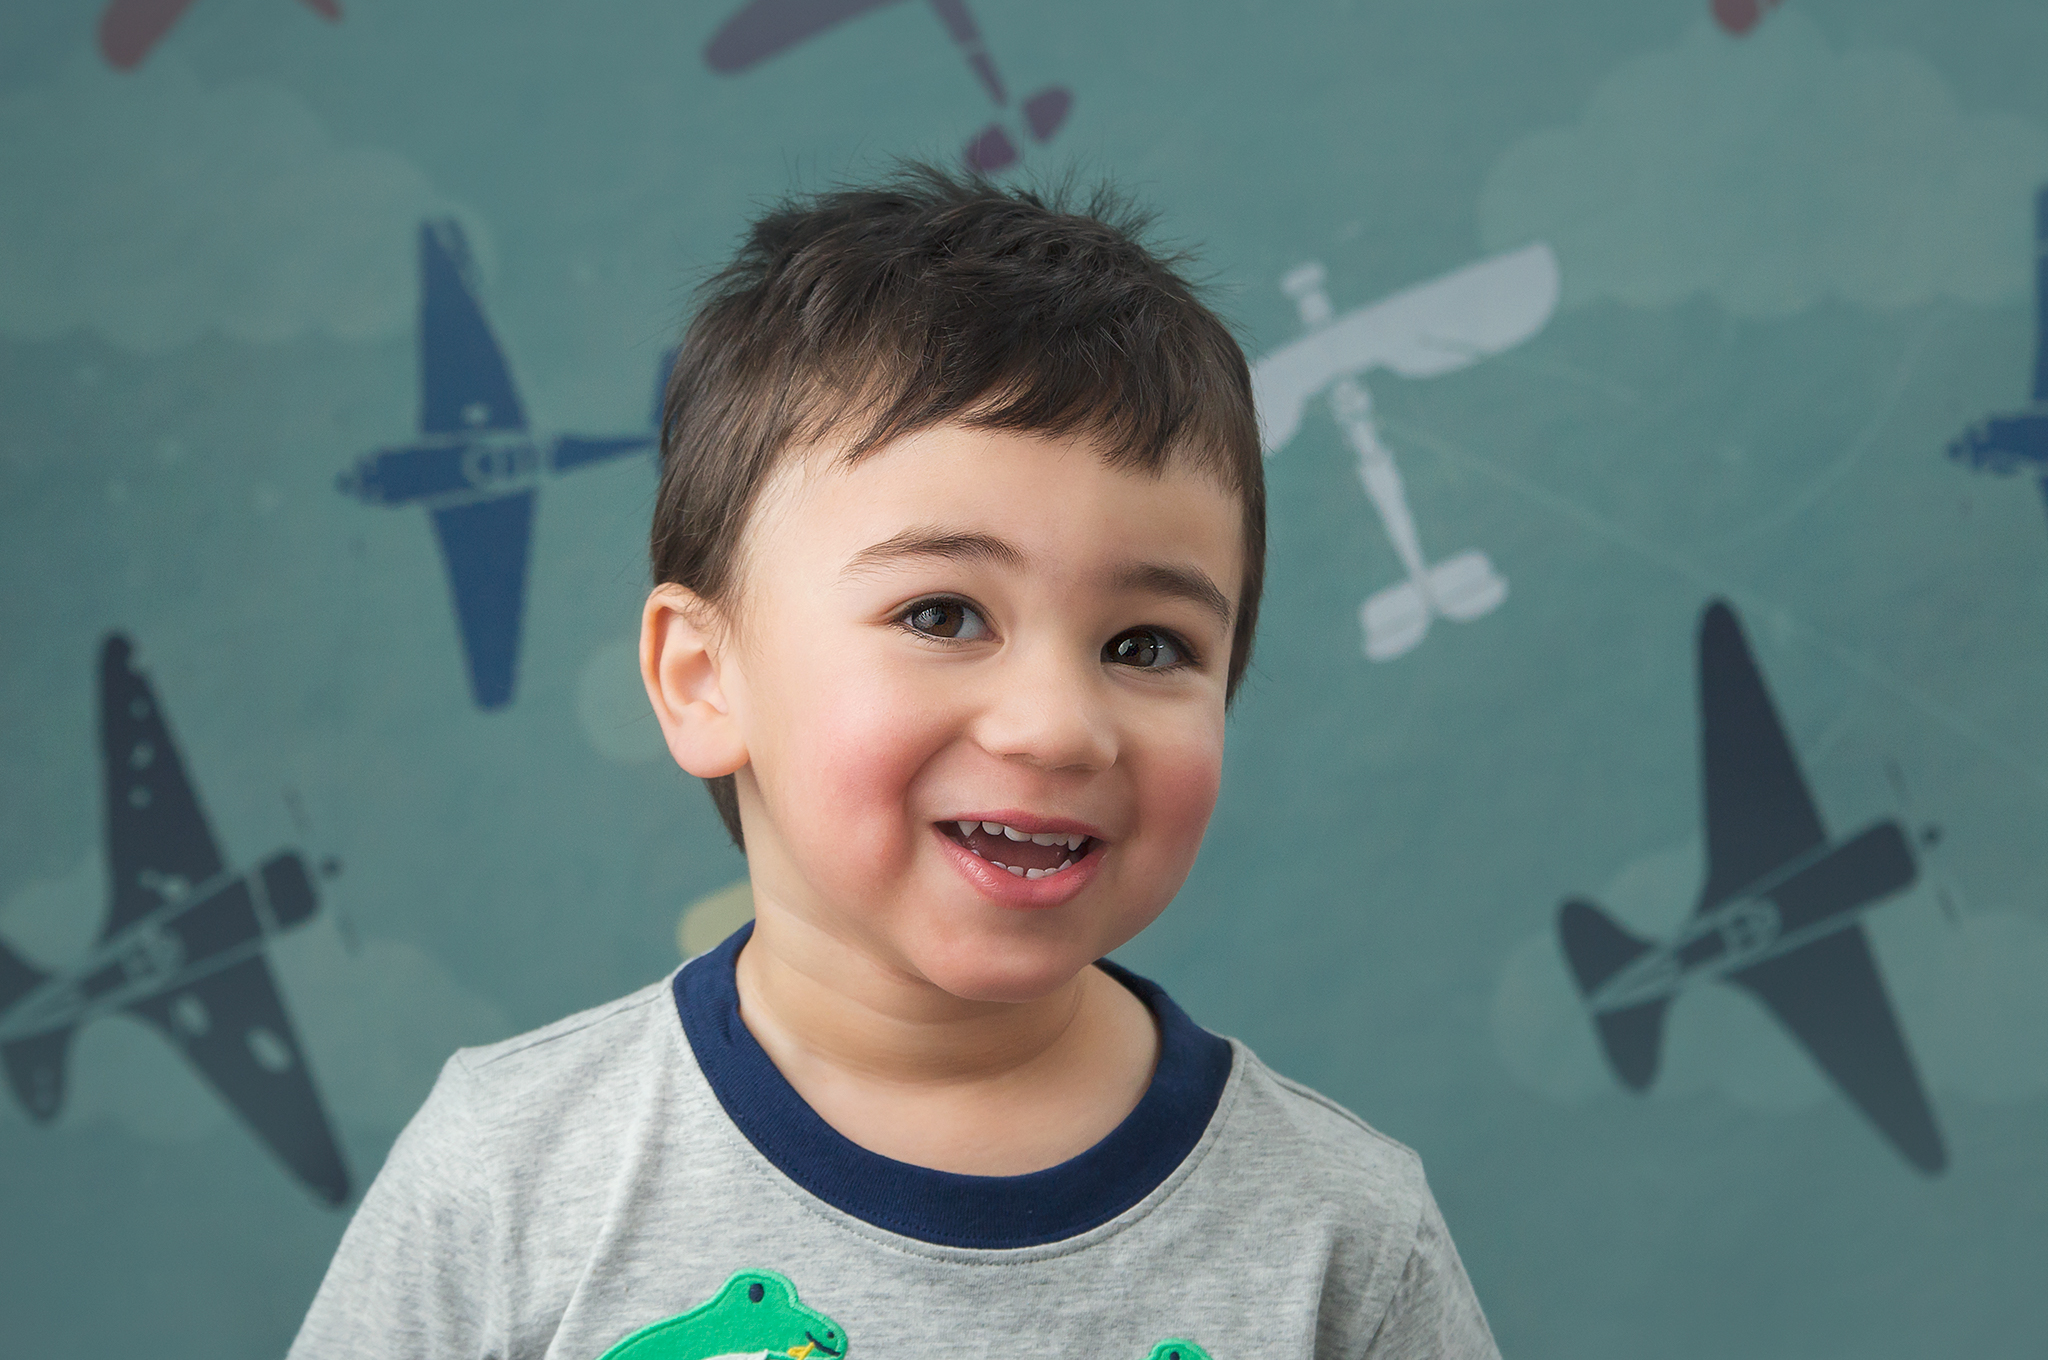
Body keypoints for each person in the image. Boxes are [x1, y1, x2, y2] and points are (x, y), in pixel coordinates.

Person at [288, 165, 1499, 1360]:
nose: (1057, 726)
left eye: (1145, 644)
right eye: (941, 614)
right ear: (703, 679)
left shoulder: (1347, 1243)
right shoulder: (508, 1176)